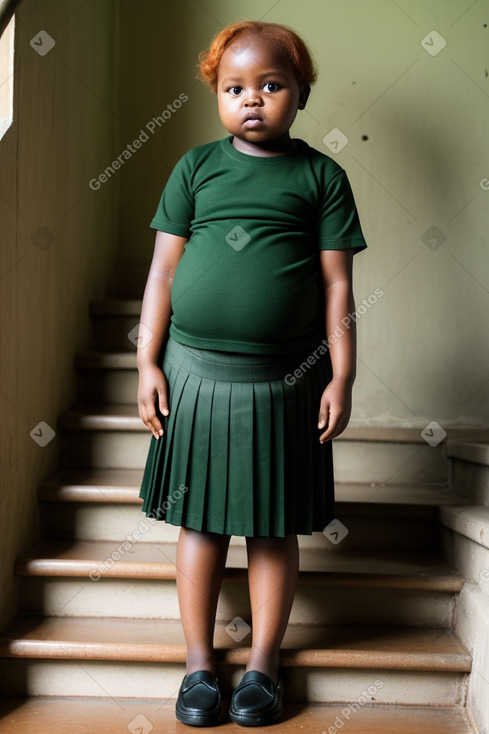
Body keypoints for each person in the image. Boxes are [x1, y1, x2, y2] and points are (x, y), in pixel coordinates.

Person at [137, 19, 367, 727]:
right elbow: (163, 271)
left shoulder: (321, 175)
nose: (253, 100)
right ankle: (199, 665)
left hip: (290, 377)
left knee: (272, 528)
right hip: (194, 374)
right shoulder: (195, 168)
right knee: (200, 525)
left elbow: (335, 289)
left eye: (271, 85)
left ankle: (264, 663)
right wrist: (145, 359)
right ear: (215, 93)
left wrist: (343, 376)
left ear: (299, 92)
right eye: (235, 87)